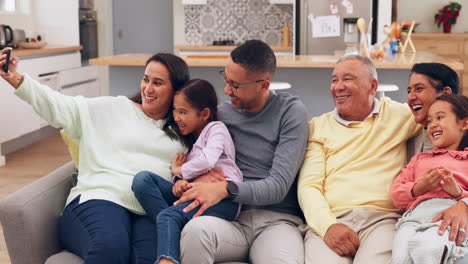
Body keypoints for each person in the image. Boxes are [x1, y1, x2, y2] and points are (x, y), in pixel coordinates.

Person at [0, 48, 190, 264]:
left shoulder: (183, 132)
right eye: (146, 79)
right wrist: (15, 78)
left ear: (176, 90)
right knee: (111, 247)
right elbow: (58, 105)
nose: (148, 88)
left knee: (148, 258)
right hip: (99, 198)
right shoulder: (113, 108)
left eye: (157, 83)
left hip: (146, 210)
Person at [173, 40, 309, 264]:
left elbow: (278, 187)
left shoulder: (290, 112)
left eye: (235, 85)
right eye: (226, 79)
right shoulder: (220, 116)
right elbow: (194, 148)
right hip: (231, 218)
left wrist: (226, 189)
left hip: (276, 222)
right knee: (195, 233)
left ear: (263, 85)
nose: (227, 90)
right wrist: (199, 175)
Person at [298, 54, 421, 264]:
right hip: (333, 218)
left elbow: (442, 115)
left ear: (373, 86)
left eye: (348, 79)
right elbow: (309, 186)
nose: (338, 87)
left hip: (382, 221)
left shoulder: (399, 115)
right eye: (334, 80)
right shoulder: (318, 127)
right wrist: (328, 226)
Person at [131, 79, 242, 264]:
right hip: (194, 193)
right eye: (175, 110)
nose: (177, 117)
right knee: (143, 180)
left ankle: (167, 256)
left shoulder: (216, 129)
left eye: (183, 112)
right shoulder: (191, 141)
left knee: (168, 215)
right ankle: (172, 229)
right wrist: (179, 181)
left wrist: (180, 170)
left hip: (224, 200)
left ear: (205, 113)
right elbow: (190, 173)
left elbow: (208, 160)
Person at [391, 94, 468, 264]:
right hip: (413, 218)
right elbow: (396, 194)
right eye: (430, 120)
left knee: (429, 248)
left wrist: (457, 192)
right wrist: (419, 187)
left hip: (446, 215)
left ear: (464, 123)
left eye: (440, 117)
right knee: (400, 258)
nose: (433, 124)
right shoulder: (419, 159)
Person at [406, 63, 468, 264]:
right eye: (409, 90)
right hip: (418, 220)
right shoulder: (409, 134)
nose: (411, 97)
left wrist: (464, 205)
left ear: (445, 93)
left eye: (419, 89)